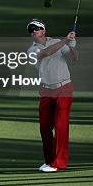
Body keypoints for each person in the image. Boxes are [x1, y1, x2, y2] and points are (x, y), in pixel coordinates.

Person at [26, 19, 78, 173]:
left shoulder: (56, 42)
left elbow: (74, 58)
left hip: (64, 87)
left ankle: (58, 163)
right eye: (31, 29)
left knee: (61, 125)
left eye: (37, 28)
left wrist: (72, 45)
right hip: (46, 90)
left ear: (44, 30)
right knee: (44, 127)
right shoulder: (31, 50)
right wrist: (65, 40)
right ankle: (49, 161)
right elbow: (46, 53)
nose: (34, 31)